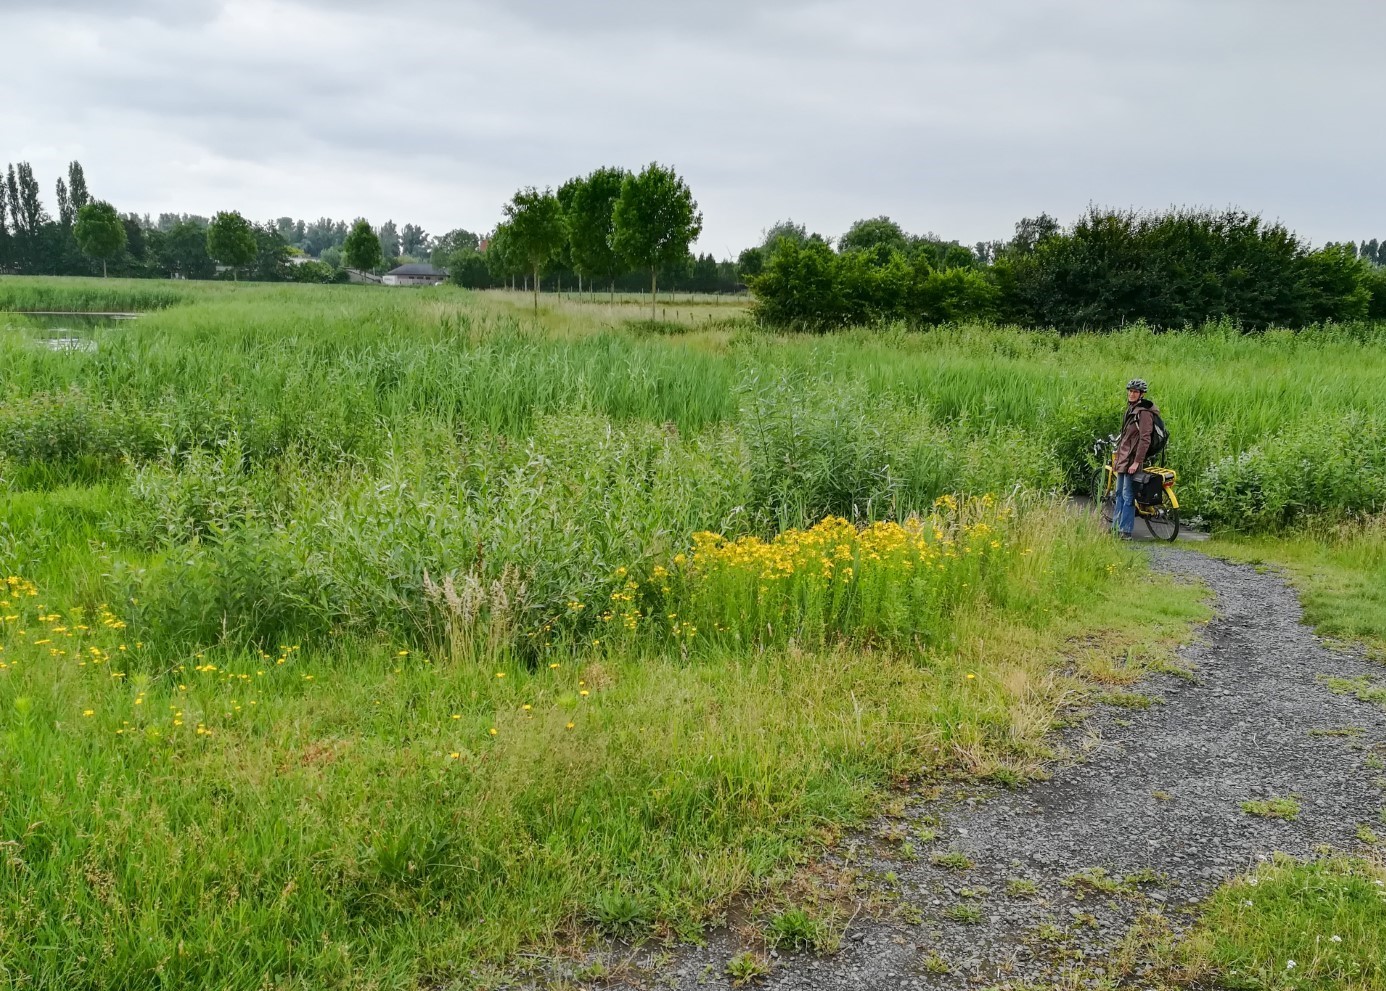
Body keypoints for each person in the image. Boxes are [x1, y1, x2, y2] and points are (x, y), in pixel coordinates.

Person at [1112, 378, 1160, 539]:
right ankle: (1115, 527)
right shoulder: (1131, 409)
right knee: (1118, 493)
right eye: (1130, 391)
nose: (1131, 394)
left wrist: (1137, 462)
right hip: (1124, 458)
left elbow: (1145, 439)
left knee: (1127, 496)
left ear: (1141, 394)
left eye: (1135, 392)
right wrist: (1118, 459)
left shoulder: (1144, 413)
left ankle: (1125, 531)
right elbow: (1125, 437)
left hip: (1133, 460)